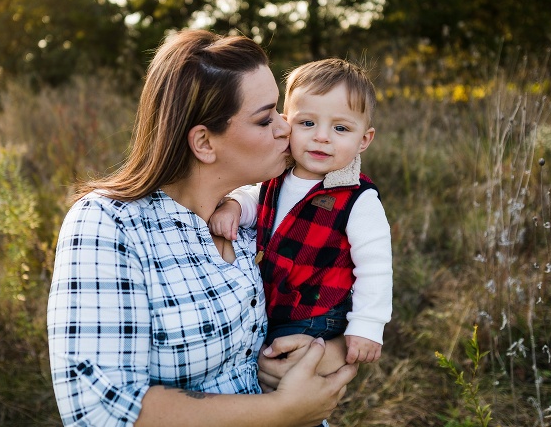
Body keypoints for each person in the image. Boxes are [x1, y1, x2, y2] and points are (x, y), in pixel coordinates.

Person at [47, 29, 358, 427]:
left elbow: (331, 306)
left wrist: (324, 354)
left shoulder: (259, 210)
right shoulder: (111, 225)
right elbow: (100, 410)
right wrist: (281, 412)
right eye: (266, 119)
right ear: (204, 143)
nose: (287, 127)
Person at [209, 58, 393, 365]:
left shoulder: (358, 198)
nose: (322, 136)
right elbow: (257, 198)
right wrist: (234, 206)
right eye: (307, 123)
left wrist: (368, 325)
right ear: (285, 124)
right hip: (270, 304)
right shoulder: (277, 175)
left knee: (283, 371)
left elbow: (375, 267)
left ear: (364, 140)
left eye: (340, 128)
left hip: (316, 316)